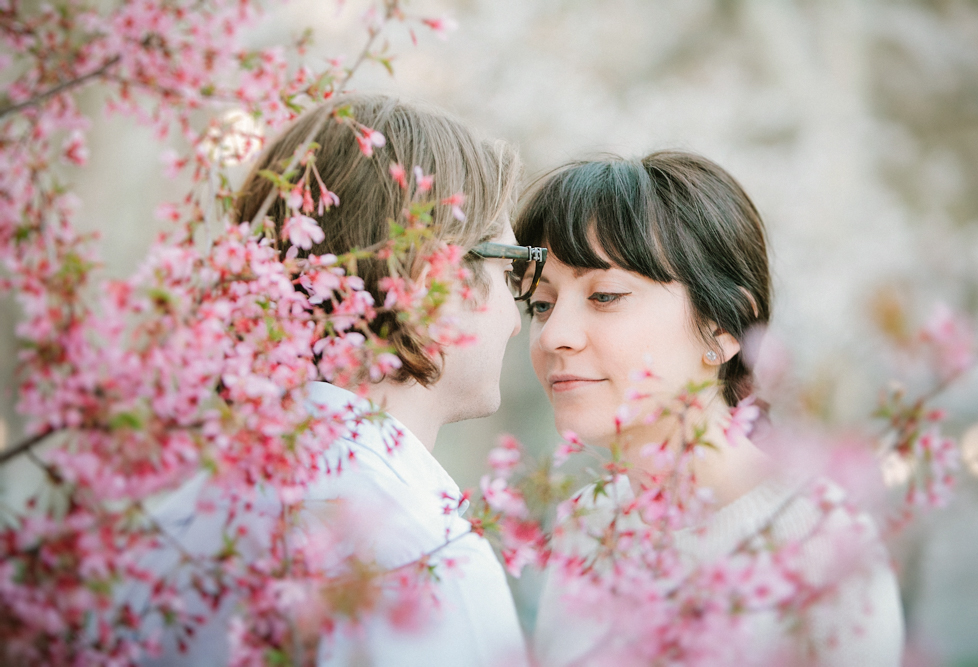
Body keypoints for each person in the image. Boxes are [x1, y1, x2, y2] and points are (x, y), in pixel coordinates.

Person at [141, 94, 533, 666]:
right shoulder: (421, 559)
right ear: (433, 281)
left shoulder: (169, 527)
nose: (515, 320)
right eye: (507, 270)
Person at [514, 151, 904, 666]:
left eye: (604, 295)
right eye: (541, 304)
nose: (554, 337)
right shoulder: (587, 526)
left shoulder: (817, 537)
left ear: (724, 327)